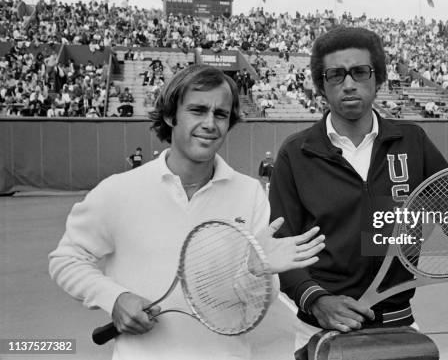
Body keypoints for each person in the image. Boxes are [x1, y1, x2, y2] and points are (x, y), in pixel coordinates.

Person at [268, 27, 448, 360]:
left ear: (377, 78)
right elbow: (282, 248)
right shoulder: (296, 153)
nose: (349, 84)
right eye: (335, 75)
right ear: (321, 85)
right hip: (318, 332)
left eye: (360, 72)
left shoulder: (413, 143)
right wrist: (315, 300)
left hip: (400, 331)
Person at [49, 65, 325, 360]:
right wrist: (114, 298)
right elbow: (66, 260)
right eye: (197, 110)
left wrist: (258, 271)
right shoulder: (117, 190)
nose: (210, 123)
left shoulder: (250, 193)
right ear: (171, 116)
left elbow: (256, 301)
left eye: (221, 114)